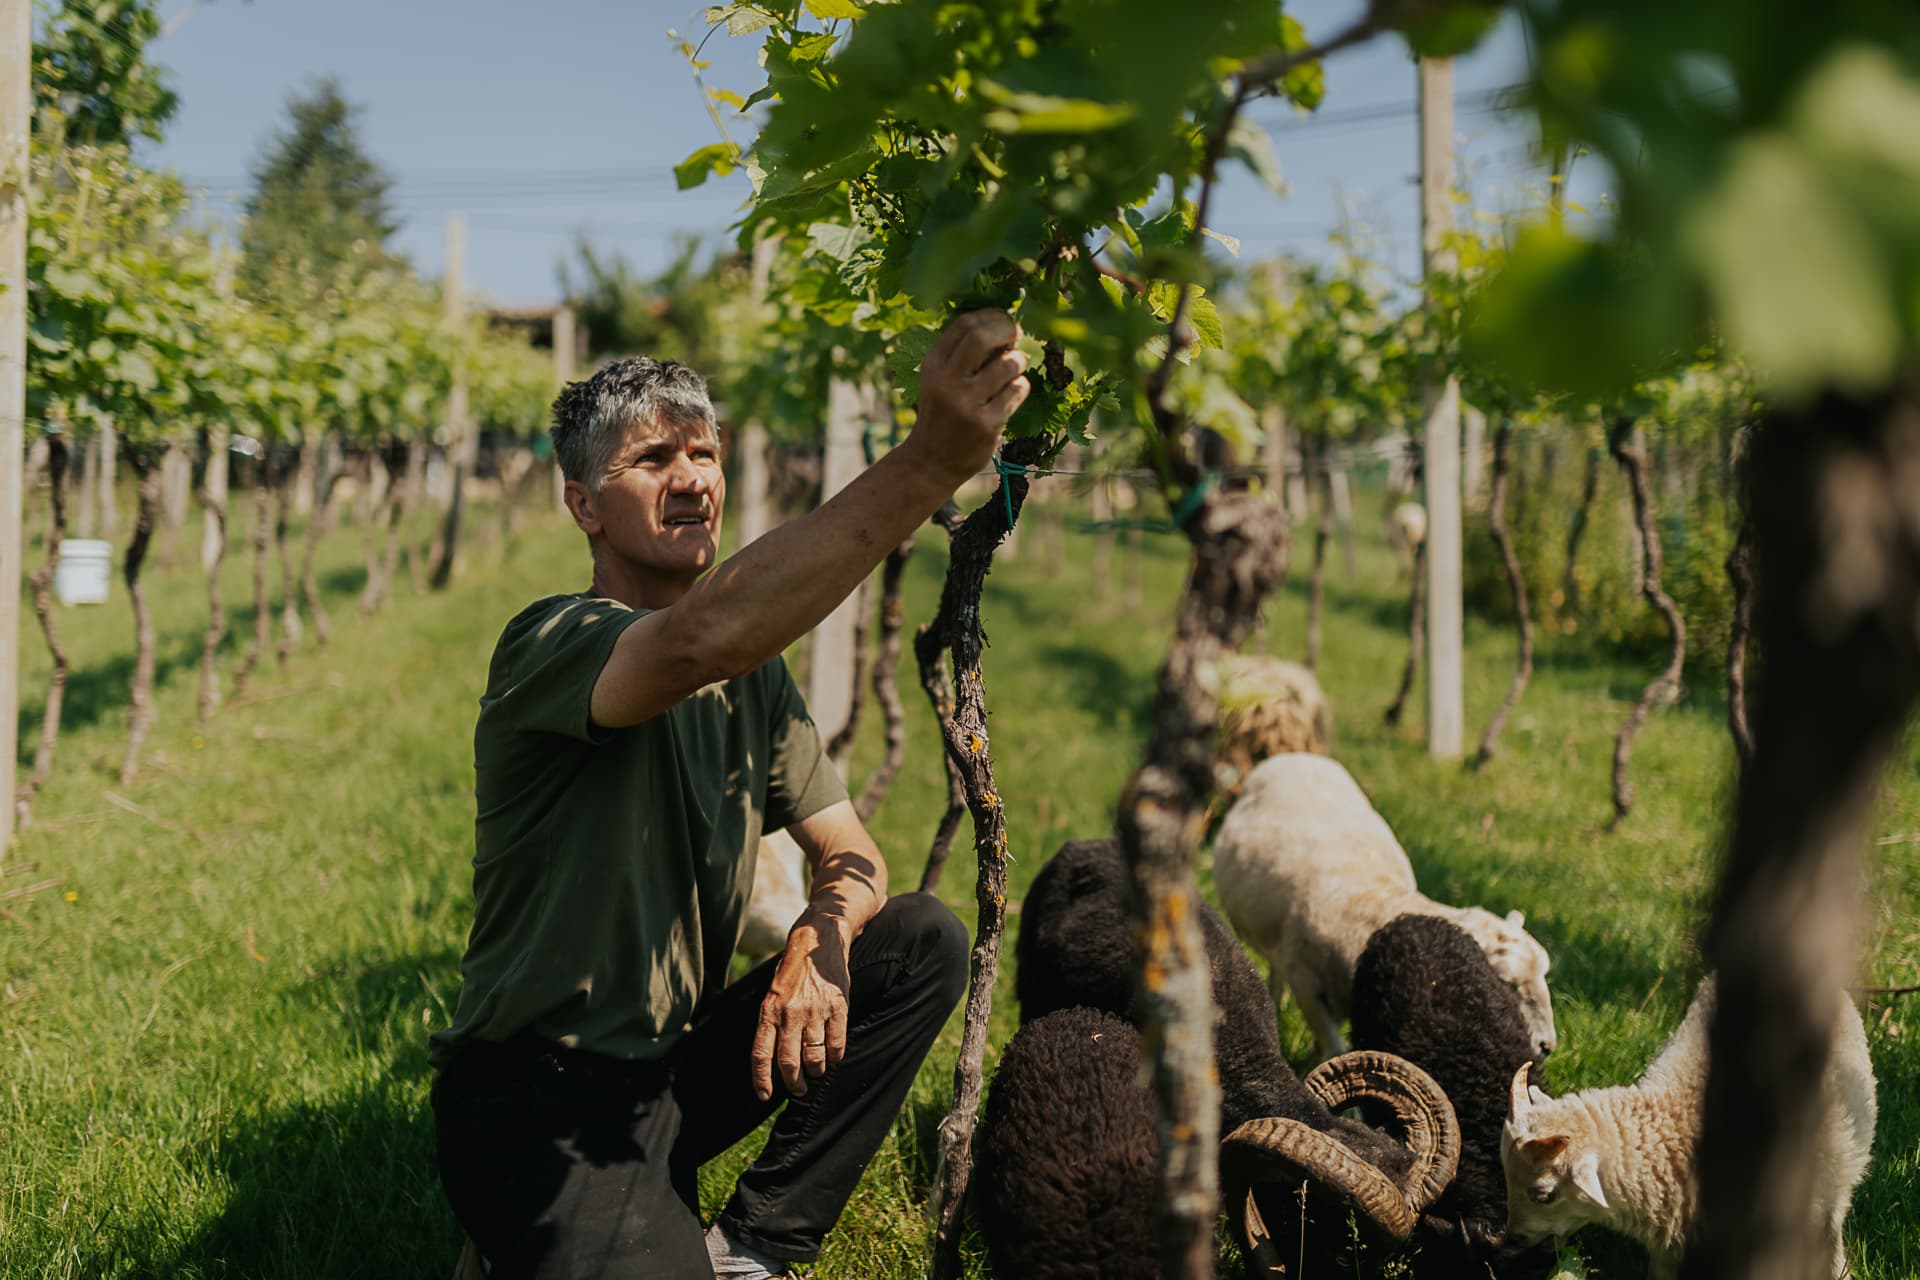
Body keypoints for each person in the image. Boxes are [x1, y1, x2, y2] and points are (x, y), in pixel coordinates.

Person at [429, 311, 1032, 1280]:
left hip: (671, 1070)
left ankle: (757, 1241)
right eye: (653, 457)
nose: (693, 477)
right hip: (537, 1096)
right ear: (584, 505)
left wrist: (818, 937)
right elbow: (697, 641)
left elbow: (856, 854)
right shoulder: (549, 640)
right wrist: (928, 463)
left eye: (704, 452)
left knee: (919, 937)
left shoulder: (755, 677)